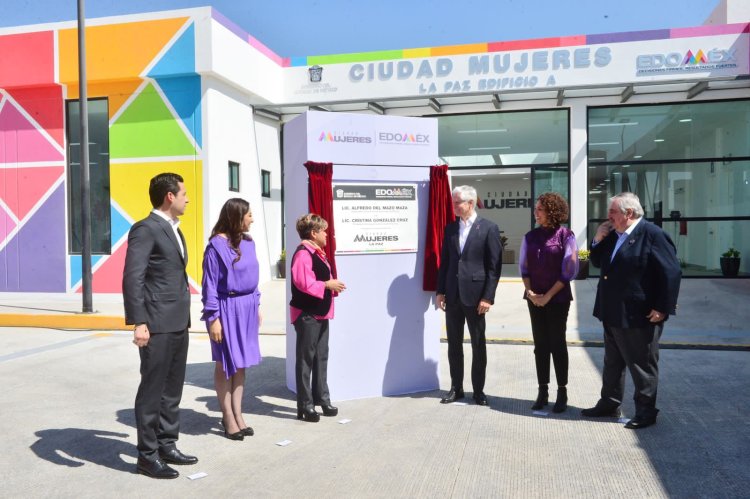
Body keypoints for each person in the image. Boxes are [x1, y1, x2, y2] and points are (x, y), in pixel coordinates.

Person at [582, 192, 681, 429]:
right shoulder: (613, 235)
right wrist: (597, 238)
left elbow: (671, 272)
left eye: (613, 212)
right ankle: (609, 403)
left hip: (639, 313)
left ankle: (646, 412)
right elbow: (594, 261)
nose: (608, 216)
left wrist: (662, 307)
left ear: (629, 213)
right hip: (612, 311)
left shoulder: (652, 234)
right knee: (612, 362)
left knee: (641, 364)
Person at [123, 172, 197, 479]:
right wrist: (139, 321)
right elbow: (133, 277)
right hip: (156, 323)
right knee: (153, 390)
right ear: (170, 196)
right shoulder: (146, 229)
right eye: (183, 193)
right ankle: (147, 456)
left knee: (172, 389)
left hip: (178, 321)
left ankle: (167, 444)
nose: (187, 198)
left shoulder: (174, 229)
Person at [201, 198, 262, 441]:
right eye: (248, 215)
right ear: (236, 217)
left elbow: (254, 277)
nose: (252, 219)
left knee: (241, 363)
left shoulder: (249, 242)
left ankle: (238, 413)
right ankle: (227, 416)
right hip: (226, 309)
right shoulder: (215, 247)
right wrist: (213, 318)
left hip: (247, 307)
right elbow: (210, 287)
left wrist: (256, 304)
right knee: (225, 363)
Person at [436, 185, 502, 406]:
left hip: (476, 298)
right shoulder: (450, 229)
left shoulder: (489, 228)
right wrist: (440, 291)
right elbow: (445, 263)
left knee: (477, 345)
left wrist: (488, 297)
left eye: (457, 202)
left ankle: (479, 390)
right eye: (454, 202)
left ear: (471, 203)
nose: (454, 206)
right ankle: (456, 388)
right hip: (453, 295)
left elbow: (494, 268)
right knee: (454, 344)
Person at [520, 193, 579, 413]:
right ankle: (542, 390)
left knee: (557, 343)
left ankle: (561, 391)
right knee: (540, 345)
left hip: (558, 298)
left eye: (539, 209)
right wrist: (530, 292)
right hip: (534, 298)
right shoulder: (530, 236)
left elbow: (569, 271)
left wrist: (548, 296)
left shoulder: (566, 235)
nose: (535, 213)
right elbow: (524, 268)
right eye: (535, 209)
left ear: (552, 211)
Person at [289, 213, 346, 422]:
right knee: (306, 360)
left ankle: (322, 398)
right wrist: (327, 284)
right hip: (307, 314)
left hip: (320, 313)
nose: (326, 234)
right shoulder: (303, 254)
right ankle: (305, 405)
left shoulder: (317, 252)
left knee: (321, 357)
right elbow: (304, 283)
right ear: (313, 233)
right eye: (323, 230)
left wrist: (330, 283)